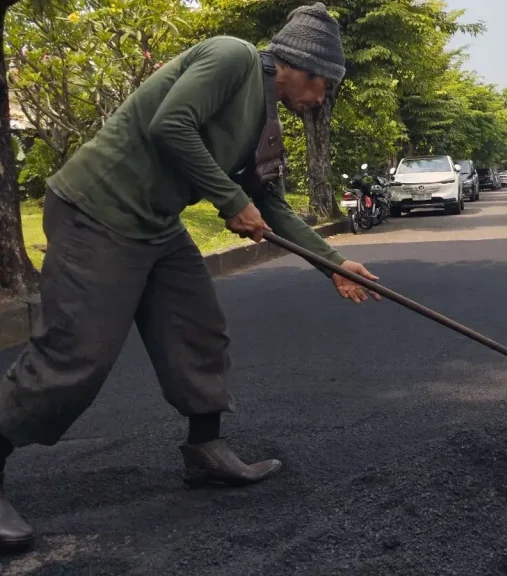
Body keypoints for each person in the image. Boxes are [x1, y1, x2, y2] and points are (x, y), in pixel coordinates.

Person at [0, 3, 380, 551]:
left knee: (197, 327)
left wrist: (333, 264)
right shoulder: (232, 57)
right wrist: (228, 199)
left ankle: (206, 451)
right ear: (301, 66)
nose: (319, 100)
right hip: (96, 211)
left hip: (155, 225)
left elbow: (267, 199)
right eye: (323, 87)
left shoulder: (266, 119)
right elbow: (169, 124)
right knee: (78, 353)